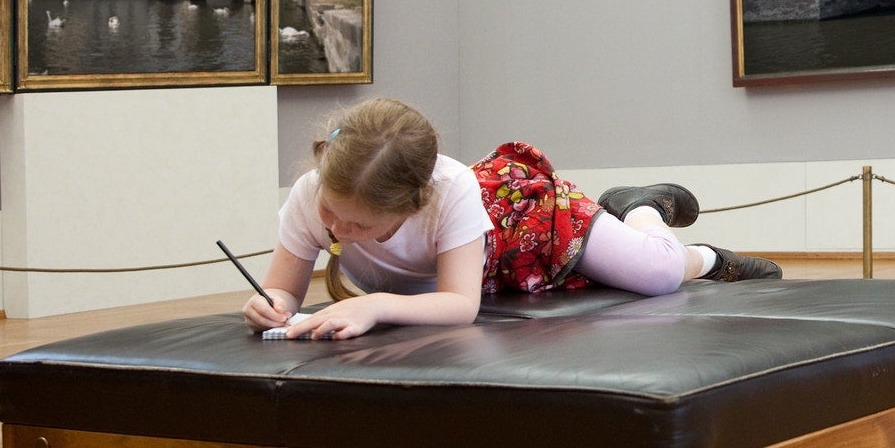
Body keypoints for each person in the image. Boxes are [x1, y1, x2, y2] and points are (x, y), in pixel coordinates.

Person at [241, 97, 779, 339]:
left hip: (524, 225)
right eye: (333, 215)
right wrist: (273, 306)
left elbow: (459, 305)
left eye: (357, 227)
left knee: (659, 275)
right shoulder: (316, 194)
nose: (337, 231)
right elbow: (281, 291)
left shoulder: (448, 191)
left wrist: (375, 306)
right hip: (488, 266)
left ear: (413, 205)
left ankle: (646, 214)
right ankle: (634, 219)